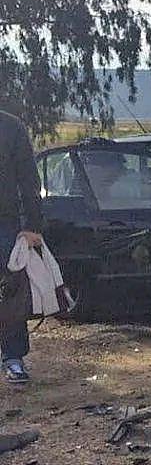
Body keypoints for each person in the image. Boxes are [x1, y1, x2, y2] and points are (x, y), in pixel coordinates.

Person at [1, 109, 44, 383]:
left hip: (5, 224)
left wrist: (33, 226)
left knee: (11, 295)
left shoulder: (10, 126)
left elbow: (29, 179)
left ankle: (14, 358)